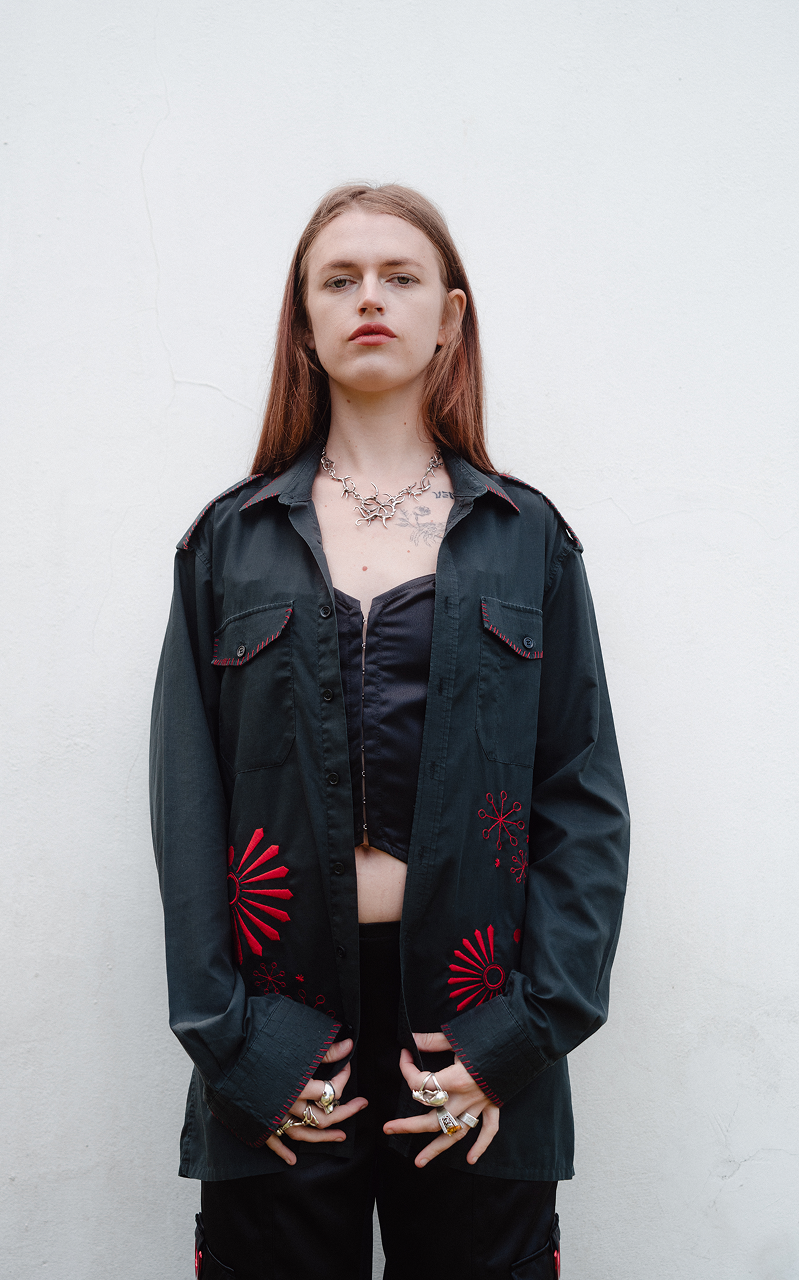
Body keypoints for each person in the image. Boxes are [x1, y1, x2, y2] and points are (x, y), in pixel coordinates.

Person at [149, 183, 630, 1280]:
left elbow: (582, 802)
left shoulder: (527, 540)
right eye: (340, 278)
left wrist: (516, 1041)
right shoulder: (229, 543)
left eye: (401, 277)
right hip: (282, 1038)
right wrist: (238, 1051)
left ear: (448, 318)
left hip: (471, 1035)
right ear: (304, 322)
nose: (371, 298)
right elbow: (188, 813)